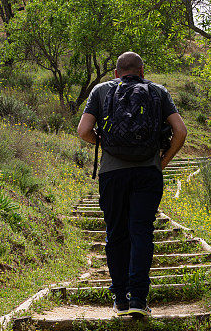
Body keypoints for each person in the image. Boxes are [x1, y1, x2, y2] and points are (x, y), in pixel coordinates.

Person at [77, 51, 187, 316]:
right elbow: (181, 131)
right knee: (141, 232)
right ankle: (138, 299)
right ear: (142, 71)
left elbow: (83, 131)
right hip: (147, 173)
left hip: (112, 174)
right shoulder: (158, 92)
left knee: (116, 233)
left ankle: (120, 300)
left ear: (116, 73)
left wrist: (108, 146)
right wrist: (162, 161)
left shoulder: (101, 91)